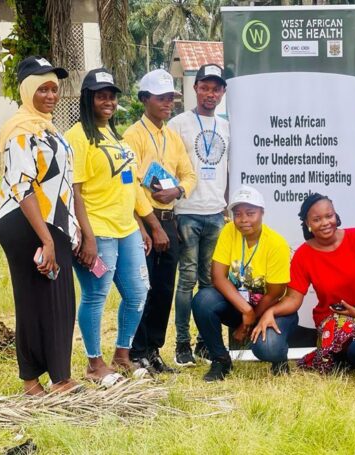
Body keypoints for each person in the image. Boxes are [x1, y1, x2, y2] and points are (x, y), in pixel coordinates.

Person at [0, 56, 80, 395]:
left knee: (57, 300)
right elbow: (22, 186)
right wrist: (45, 240)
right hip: (26, 223)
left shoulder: (46, 127)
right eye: (42, 88)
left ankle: (57, 376)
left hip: (50, 223)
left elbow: (62, 183)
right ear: (27, 89)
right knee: (34, 300)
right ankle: (37, 381)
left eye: (54, 89)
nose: (50, 95)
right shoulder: (19, 131)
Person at [65, 68, 154, 385]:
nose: (109, 101)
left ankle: (122, 356)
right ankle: (94, 364)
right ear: (87, 98)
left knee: (138, 292)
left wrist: (141, 225)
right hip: (98, 233)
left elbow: (128, 184)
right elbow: (73, 190)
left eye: (112, 96)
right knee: (96, 293)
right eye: (101, 95)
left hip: (126, 230)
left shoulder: (115, 136)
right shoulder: (77, 137)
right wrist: (86, 238)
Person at [251, 194, 355, 373]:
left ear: (336, 215)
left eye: (329, 216)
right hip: (334, 320)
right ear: (308, 224)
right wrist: (270, 311)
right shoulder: (303, 255)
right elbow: (293, 298)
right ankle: (350, 355)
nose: (325, 223)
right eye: (317, 219)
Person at [123, 69, 197, 373]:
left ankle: (153, 350)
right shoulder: (132, 136)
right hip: (143, 220)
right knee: (144, 288)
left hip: (170, 219)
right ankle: (136, 351)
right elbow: (130, 186)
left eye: (171, 98)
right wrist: (150, 226)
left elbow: (189, 174)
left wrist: (178, 191)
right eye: (161, 97)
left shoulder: (172, 136)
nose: (168, 103)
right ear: (144, 99)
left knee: (165, 288)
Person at [194, 186, 295, 381]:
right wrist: (246, 312)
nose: (243, 220)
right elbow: (218, 276)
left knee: (269, 348)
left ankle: (279, 358)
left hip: (271, 310)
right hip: (242, 307)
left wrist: (248, 320)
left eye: (251, 213)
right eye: (238, 214)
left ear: (262, 213)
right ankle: (221, 360)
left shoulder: (276, 244)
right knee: (203, 300)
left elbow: (274, 294)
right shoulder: (229, 231)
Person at [167, 64, 230, 367]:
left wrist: (227, 207)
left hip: (216, 214)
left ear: (222, 93)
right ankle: (182, 344)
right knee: (187, 280)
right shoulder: (178, 124)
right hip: (187, 213)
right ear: (195, 88)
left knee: (210, 282)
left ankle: (206, 342)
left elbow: (228, 169)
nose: (210, 93)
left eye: (216, 89)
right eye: (205, 87)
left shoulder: (226, 125)